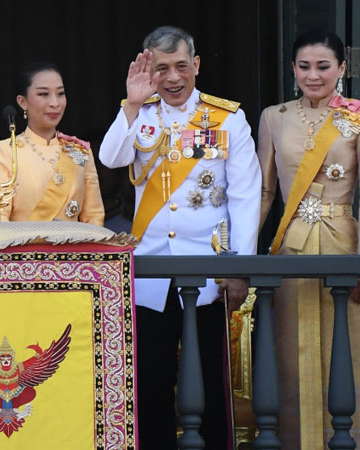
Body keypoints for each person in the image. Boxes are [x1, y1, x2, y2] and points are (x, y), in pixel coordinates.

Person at [98, 26, 261, 449]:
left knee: (210, 375)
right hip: (151, 269)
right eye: (162, 69)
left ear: (197, 66)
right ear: (148, 70)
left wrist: (240, 265)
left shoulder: (227, 118)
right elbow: (111, 157)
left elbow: (244, 196)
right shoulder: (142, 113)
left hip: (209, 273)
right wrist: (132, 105)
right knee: (150, 377)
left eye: (181, 67)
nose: (173, 78)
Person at [258, 30, 360, 448]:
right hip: (291, 246)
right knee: (292, 352)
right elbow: (265, 193)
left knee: (350, 350)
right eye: (304, 66)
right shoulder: (274, 116)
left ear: (342, 68)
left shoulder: (358, 115)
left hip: (344, 244)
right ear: (293, 69)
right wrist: (244, 257)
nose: (313, 75)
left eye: (323, 66)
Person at [0, 61, 104, 224]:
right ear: (22, 102)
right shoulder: (5, 151)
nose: (55, 103)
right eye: (43, 94)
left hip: (72, 249)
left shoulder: (79, 151)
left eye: (60, 93)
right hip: (22, 248)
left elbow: (94, 217)